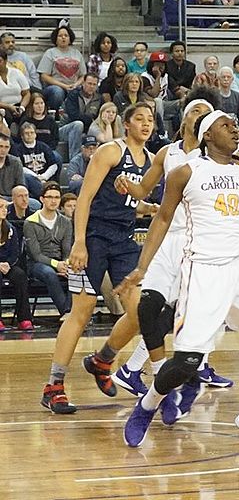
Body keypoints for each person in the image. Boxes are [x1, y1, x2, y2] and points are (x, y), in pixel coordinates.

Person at [117, 110, 239, 447]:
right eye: (226, 126)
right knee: (187, 362)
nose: (235, 130)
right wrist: (143, 268)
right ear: (207, 135)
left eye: (236, 126)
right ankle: (147, 405)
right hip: (204, 270)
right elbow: (161, 219)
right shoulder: (186, 172)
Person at [113, 91, 233, 403]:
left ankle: (154, 368)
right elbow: (143, 189)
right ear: (184, 120)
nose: (200, 114)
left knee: (180, 314)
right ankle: (155, 369)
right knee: (155, 309)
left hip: (199, 242)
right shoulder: (169, 153)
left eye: (207, 112)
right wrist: (128, 184)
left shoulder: (217, 159)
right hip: (169, 240)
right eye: (196, 110)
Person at [41, 103, 156, 414]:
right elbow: (86, 198)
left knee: (141, 311)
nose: (146, 124)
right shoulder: (110, 151)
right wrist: (79, 241)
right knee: (83, 309)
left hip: (124, 239)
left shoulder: (152, 161)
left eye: (151, 120)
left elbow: (130, 202)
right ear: (126, 123)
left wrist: (149, 209)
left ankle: (102, 359)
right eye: (140, 119)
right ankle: (54, 386)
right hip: (93, 236)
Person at [24, 182, 73, 319]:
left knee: (76, 272)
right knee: (49, 274)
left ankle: (69, 312)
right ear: (42, 199)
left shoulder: (66, 222)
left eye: (57, 197)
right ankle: (67, 313)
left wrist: (66, 264)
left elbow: (67, 249)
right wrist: (57, 265)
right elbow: (35, 254)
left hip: (59, 261)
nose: (53, 201)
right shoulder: (31, 222)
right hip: (36, 264)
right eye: (50, 197)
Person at [0, 197, 33, 331]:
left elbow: (15, 252)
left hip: (7, 264)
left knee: (20, 276)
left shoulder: (10, 228)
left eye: (5, 208)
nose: (4, 210)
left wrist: (7, 263)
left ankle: (24, 318)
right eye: (1, 207)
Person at [37, 24, 87, 111]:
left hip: (74, 86)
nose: (63, 38)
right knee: (57, 92)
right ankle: (55, 115)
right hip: (56, 87)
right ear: (55, 39)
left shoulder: (77, 53)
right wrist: (64, 86)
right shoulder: (50, 53)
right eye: (60, 36)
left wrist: (76, 85)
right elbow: (44, 76)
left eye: (66, 35)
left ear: (70, 38)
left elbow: (83, 76)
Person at [11, 122, 59, 199]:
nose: (29, 135)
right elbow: (20, 168)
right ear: (22, 136)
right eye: (26, 133)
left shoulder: (43, 146)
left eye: (32, 132)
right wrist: (36, 177)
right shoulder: (17, 149)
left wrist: (44, 176)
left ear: (35, 134)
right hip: (29, 181)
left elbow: (54, 165)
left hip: (45, 179)